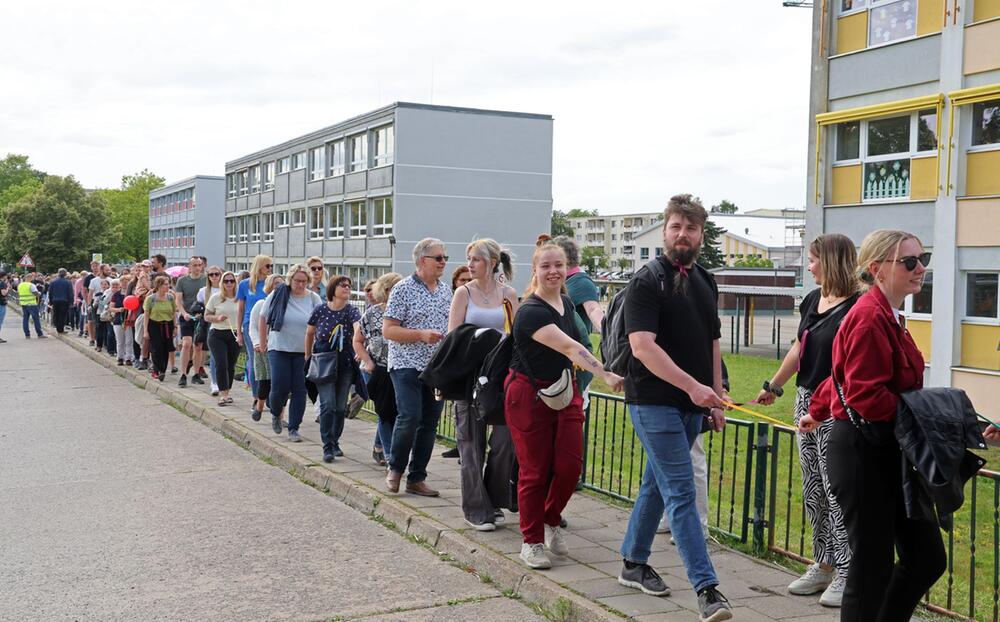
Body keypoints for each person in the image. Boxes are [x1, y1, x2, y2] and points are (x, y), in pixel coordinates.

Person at [799, 229, 943, 621]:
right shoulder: (868, 317)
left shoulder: (887, 314)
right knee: (870, 569)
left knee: (926, 557)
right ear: (877, 269)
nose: (921, 268)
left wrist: (818, 408)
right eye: (909, 261)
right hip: (864, 453)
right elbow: (864, 394)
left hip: (885, 449)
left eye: (922, 257)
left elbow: (839, 376)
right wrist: (927, 419)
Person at [616, 194, 732, 622]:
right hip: (653, 402)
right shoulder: (646, 280)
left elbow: (713, 342)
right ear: (665, 231)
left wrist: (715, 396)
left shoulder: (705, 279)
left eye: (692, 228)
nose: (683, 234)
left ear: (702, 234)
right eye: (676, 226)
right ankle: (708, 590)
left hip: (693, 405)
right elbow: (642, 347)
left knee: (655, 484)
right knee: (681, 492)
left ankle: (632, 562)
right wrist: (694, 387)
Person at [754, 234, 859, 608]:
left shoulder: (858, 307)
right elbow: (801, 346)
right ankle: (824, 562)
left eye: (812, 260)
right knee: (813, 487)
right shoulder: (814, 299)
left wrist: (823, 408)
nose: (808, 266)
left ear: (830, 261)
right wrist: (775, 386)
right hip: (806, 399)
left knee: (837, 488)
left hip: (836, 406)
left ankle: (849, 571)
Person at [507, 240, 623, 569]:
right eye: (546, 266)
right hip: (529, 395)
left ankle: (551, 517)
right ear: (536, 271)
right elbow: (573, 348)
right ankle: (532, 542)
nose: (553, 271)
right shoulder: (530, 311)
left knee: (570, 467)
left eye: (558, 265)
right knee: (535, 471)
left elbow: (582, 341)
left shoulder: (567, 303)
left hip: (565, 390)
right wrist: (607, 375)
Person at [447, 239, 519, 531]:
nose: (470, 264)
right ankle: (476, 508)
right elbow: (453, 335)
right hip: (469, 373)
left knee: (505, 442)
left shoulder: (509, 294)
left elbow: (516, 335)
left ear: (491, 262)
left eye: (475, 259)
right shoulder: (463, 293)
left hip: (500, 375)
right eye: (469, 259)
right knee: (470, 443)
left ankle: (494, 499)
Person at [382, 238, 452, 497]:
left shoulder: (446, 291)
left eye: (445, 257)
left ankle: (417, 477)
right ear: (423, 261)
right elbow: (388, 330)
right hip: (405, 364)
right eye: (439, 258)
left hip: (436, 368)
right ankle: (395, 469)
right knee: (409, 415)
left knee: (429, 422)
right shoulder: (402, 289)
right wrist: (420, 334)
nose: (444, 262)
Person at [258, 264, 322, 441]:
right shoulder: (279, 293)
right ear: (290, 279)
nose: (300, 285)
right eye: (297, 281)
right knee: (279, 387)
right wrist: (262, 342)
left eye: (304, 281)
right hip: (279, 348)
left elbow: (321, 320)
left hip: (303, 351)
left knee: (299, 390)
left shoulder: (313, 298)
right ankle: (276, 412)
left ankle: (294, 427)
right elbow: (263, 317)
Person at [306, 275, 362, 462]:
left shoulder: (351, 311)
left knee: (339, 408)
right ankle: (327, 446)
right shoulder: (321, 309)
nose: (347, 288)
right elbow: (310, 332)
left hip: (345, 364)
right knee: (327, 404)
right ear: (332, 289)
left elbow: (357, 328)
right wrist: (308, 355)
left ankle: (335, 441)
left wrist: (359, 344)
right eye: (342, 285)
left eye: (349, 285)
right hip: (324, 364)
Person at [355, 272, 402, 467]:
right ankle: (390, 455)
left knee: (398, 412)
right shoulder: (372, 313)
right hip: (378, 369)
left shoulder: (405, 312)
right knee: (384, 412)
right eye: (396, 288)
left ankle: (379, 447)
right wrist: (368, 361)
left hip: (400, 369)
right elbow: (358, 341)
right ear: (386, 290)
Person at [236, 255, 272, 402]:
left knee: (269, 360)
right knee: (254, 358)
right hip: (250, 324)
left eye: (271, 266)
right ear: (259, 266)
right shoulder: (246, 284)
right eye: (267, 266)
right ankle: (257, 395)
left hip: (269, 324)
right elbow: (240, 309)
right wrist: (239, 332)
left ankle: (268, 394)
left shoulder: (271, 283)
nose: (270, 269)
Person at [249, 274, 284, 422]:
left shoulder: (287, 305)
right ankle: (260, 406)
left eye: (281, 284)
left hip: (280, 348)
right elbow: (253, 327)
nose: (278, 287)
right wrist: (257, 342)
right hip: (263, 349)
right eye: (275, 284)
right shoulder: (261, 304)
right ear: (269, 286)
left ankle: (279, 416)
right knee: (265, 381)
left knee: (281, 383)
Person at [205, 271, 242, 406]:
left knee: (231, 365)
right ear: (222, 283)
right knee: (221, 363)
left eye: (231, 281)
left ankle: (228, 391)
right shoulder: (216, 298)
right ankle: (223, 394)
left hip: (235, 334)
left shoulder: (240, 298)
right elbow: (206, 316)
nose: (229, 283)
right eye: (226, 281)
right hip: (217, 334)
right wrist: (217, 318)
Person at [176, 256, 207, 388]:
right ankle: (183, 374)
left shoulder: (206, 280)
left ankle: (196, 373)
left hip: (201, 316)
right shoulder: (182, 281)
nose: (197, 268)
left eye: (199, 265)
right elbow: (178, 300)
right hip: (187, 315)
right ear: (189, 266)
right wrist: (184, 313)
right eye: (194, 265)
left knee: (198, 346)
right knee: (186, 343)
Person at [143, 275, 178, 382]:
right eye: (166, 284)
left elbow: (173, 313)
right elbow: (146, 315)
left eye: (169, 284)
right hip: (154, 325)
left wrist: (175, 327)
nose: (168, 286)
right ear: (159, 285)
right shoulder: (151, 299)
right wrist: (145, 330)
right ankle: (157, 370)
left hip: (168, 325)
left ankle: (162, 370)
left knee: (166, 347)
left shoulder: (171, 297)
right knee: (156, 348)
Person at [199, 267, 223, 395]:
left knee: (225, 356)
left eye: (217, 274)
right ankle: (214, 382)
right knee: (214, 354)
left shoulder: (226, 289)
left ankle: (223, 382)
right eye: (211, 274)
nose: (214, 276)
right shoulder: (203, 291)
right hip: (211, 324)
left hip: (226, 323)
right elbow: (199, 307)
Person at [107, 278, 133, 367]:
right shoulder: (116, 295)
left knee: (129, 340)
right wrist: (119, 309)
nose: (125, 284)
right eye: (123, 282)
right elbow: (111, 308)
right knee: (120, 341)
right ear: (120, 284)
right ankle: (120, 358)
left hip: (128, 320)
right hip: (118, 320)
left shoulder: (131, 294)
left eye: (126, 282)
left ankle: (128, 358)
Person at [17, 273, 46, 339]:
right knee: (36, 319)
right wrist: (39, 293)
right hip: (32, 304)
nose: (32, 279)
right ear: (29, 278)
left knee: (25, 319)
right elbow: (36, 293)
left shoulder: (20, 285)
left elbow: (19, 293)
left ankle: (27, 334)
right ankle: (40, 334)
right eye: (32, 278)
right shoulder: (31, 285)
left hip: (23, 303)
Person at [48, 268, 74, 334]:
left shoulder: (53, 282)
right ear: (65, 274)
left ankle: (58, 327)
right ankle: (60, 329)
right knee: (62, 315)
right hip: (64, 301)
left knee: (56, 314)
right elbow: (70, 293)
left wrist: (50, 301)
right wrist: (71, 302)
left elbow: (50, 292)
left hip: (55, 300)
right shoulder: (68, 282)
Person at [0, 271, 9, 343]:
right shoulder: (2, 283)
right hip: (1, 303)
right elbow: (3, 293)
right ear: (4, 276)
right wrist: (8, 288)